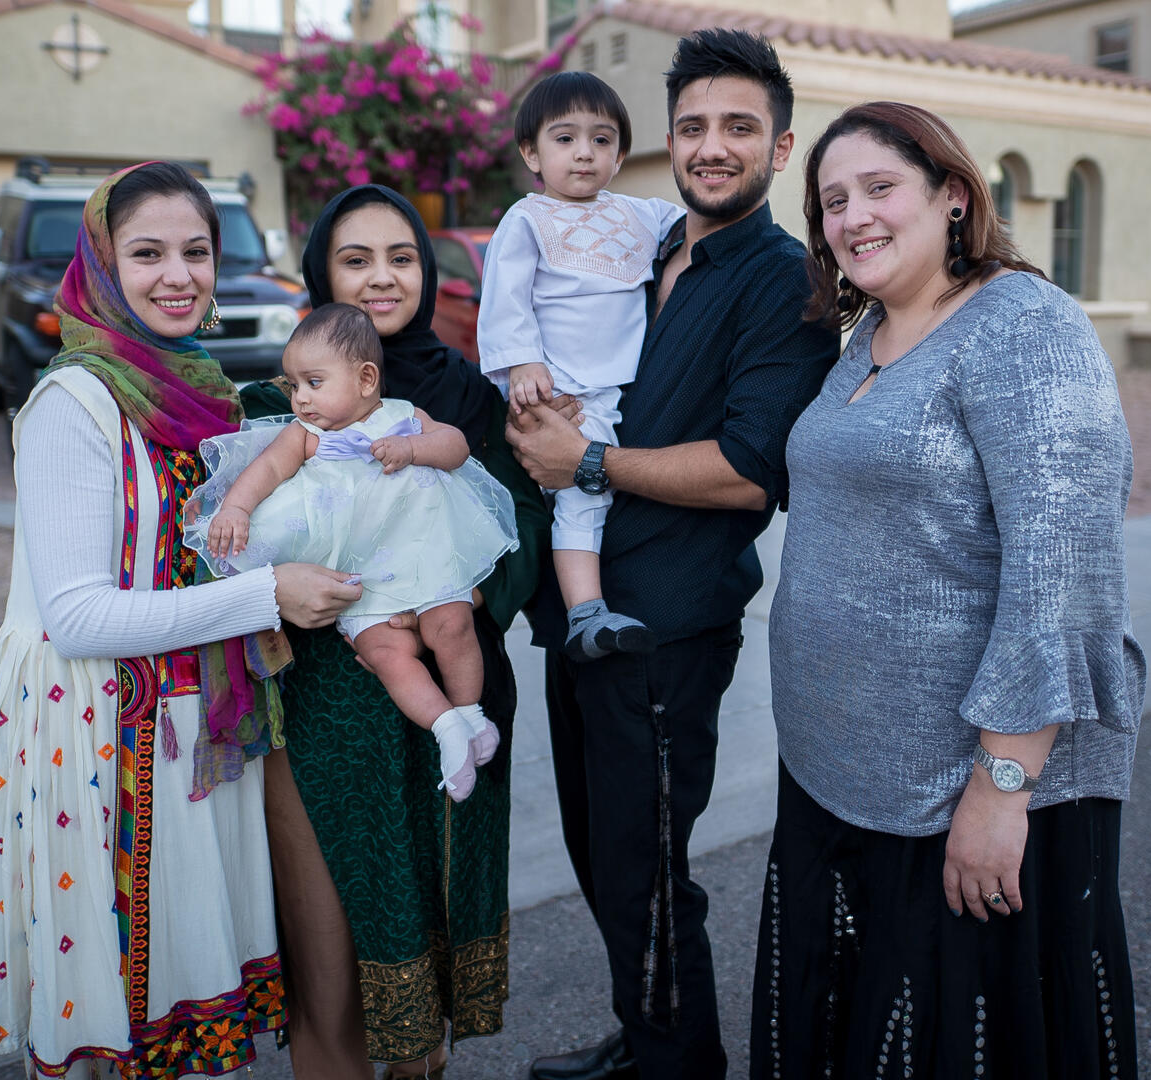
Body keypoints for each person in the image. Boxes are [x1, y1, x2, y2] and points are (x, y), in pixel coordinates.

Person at [757, 101, 1147, 1079]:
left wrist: (1001, 784)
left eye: (880, 188)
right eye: (832, 200)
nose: (852, 217)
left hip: (957, 792)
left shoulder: (1024, 326)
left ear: (954, 196)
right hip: (837, 777)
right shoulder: (873, 333)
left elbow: (1065, 579)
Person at [0, 161, 362, 1077]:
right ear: (101, 264)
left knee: (180, 981)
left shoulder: (198, 387)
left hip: (190, 723)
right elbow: (80, 616)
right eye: (147, 253)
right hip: (99, 732)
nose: (178, 276)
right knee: (122, 1003)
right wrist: (270, 595)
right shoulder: (75, 401)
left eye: (196, 252)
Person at [504, 29, 838, 1080]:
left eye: (739, 126)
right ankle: (647, 1037)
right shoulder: (645, 246)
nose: (711, 145)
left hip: (665, 626)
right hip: (580, 609)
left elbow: (749, 469)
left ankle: (679, 1067)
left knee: (645, 867)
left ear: (781, 150)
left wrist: (586, 461)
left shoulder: (787, 284)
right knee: (602, 853)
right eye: (693, 125)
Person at [248, 185, 553, 1078]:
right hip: (329, 694)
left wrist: (458, 608)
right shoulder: (291, 394)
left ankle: (424, 1066)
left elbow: (523, 513)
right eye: (356, 259)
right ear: (320, 274)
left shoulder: (464, 390)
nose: (383, 278)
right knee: (335, 922)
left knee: (436, 901)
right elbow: (258, 524)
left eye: (402, 257)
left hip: (452, 671)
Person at [187, 302, 517, 801]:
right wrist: (234, 508)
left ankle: (470, 711)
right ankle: (446, 725)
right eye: (294, 385)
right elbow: (266, 472)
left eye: (313, 383)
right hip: (358, 578)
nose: (299, 398)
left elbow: (456, 448)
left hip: (422, 559)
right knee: (386, 655)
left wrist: (413, 450)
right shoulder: (306, 435)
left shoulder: (403, 417)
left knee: (452, 626)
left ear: (366, 379)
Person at [478, 70, 683, 661]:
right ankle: (585, 613)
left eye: (602, 140)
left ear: (620, 154)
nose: (585, 154)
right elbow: (506, 297)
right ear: (531, 153)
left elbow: (695, 229)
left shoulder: (638, 214)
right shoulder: (527, 219)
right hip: (561, 386)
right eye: (565, 139)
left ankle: (587, 606)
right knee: (581, 495)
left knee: (608, 491)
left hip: (623, 385)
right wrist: (520, 363)